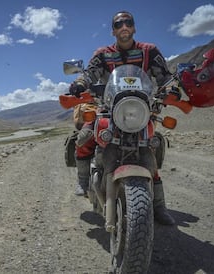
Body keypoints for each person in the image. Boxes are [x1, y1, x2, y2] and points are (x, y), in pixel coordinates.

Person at [69, 10, 175, 225]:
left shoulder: (149, 51)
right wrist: (81, 82)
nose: (124, 26)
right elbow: (90, 73)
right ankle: (82, 181)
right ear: (113, 30)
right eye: (119, 24)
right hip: (110, 108)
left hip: (140, 110)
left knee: (150, 149)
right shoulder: (103, 54)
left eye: (128, 23)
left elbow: (165, 76)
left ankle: (158, 205)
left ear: (134, 28)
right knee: (85, 137)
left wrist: (171, 88)